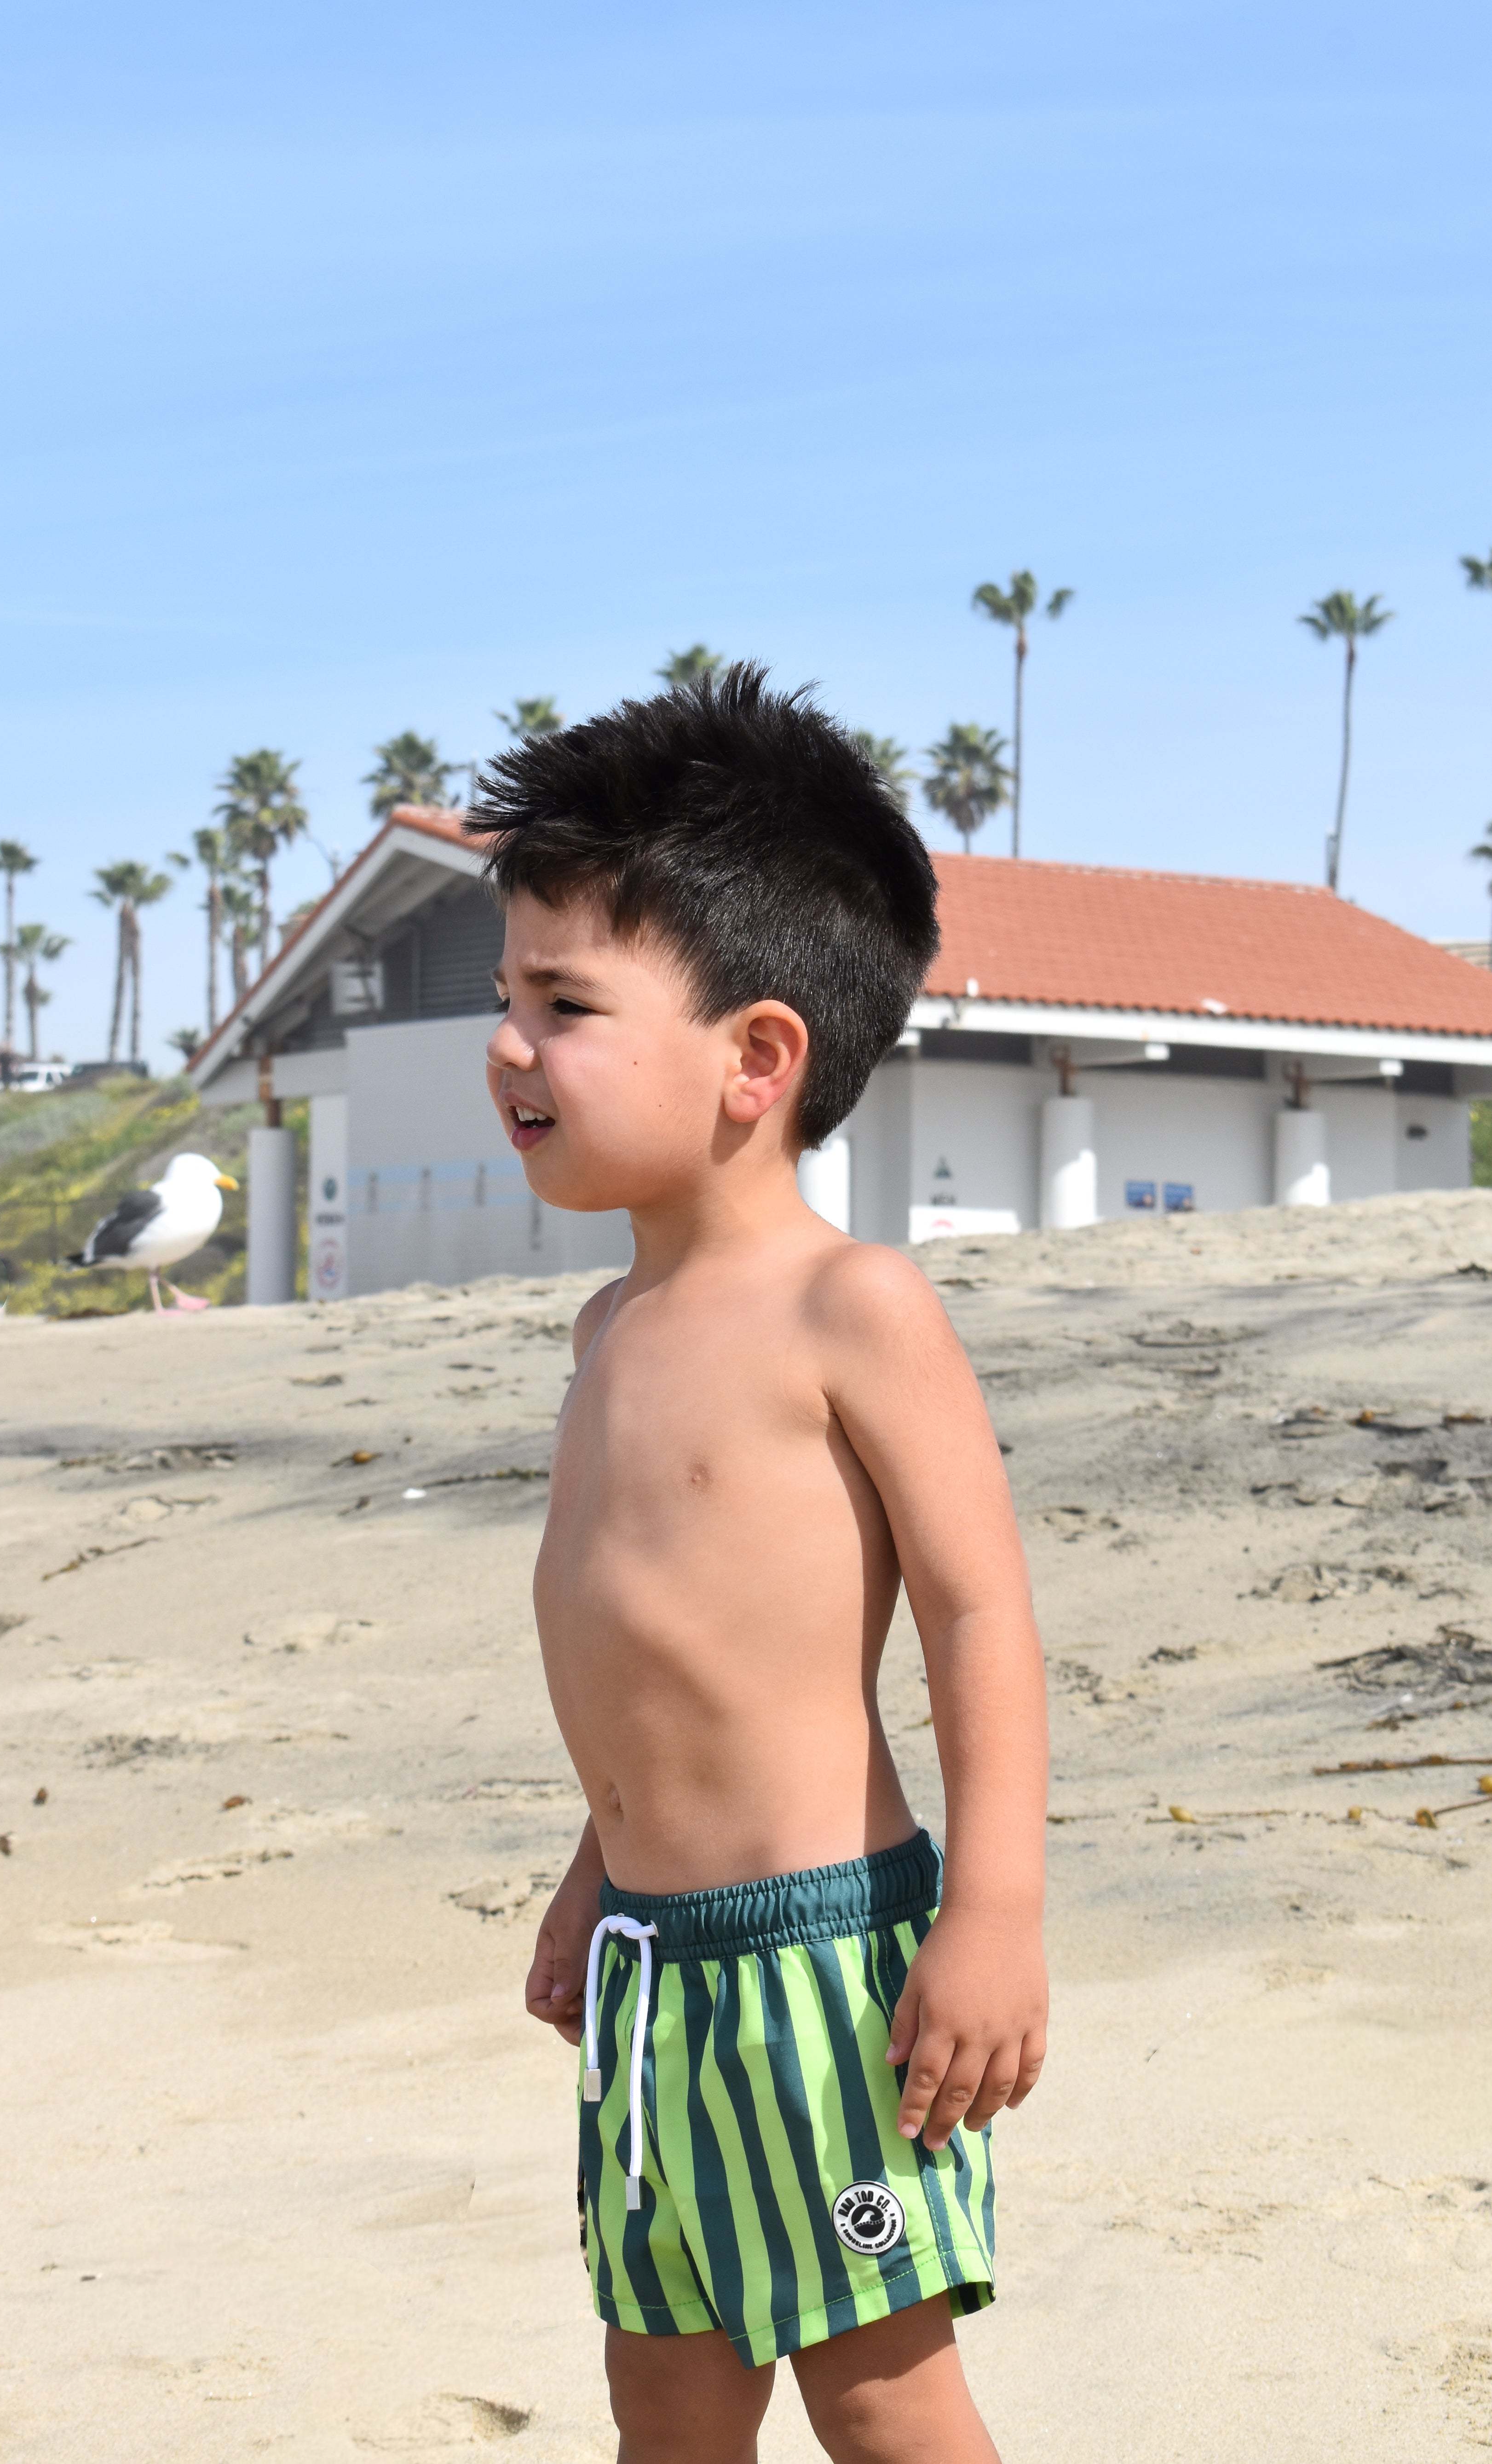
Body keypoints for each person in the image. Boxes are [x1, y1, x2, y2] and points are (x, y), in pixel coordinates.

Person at [469, 668, 1048, 2464]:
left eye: (560, 1004)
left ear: (755, 1055)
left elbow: (974, 1613)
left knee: (877, 2387)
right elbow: (655, 1656)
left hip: (821, 1971)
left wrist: (995, 1911)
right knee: (664, 2384)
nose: (505, 1047)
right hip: (652, 1965)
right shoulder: (602, 1325)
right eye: (506, 998)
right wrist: (590, 1870)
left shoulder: (847, 1306)